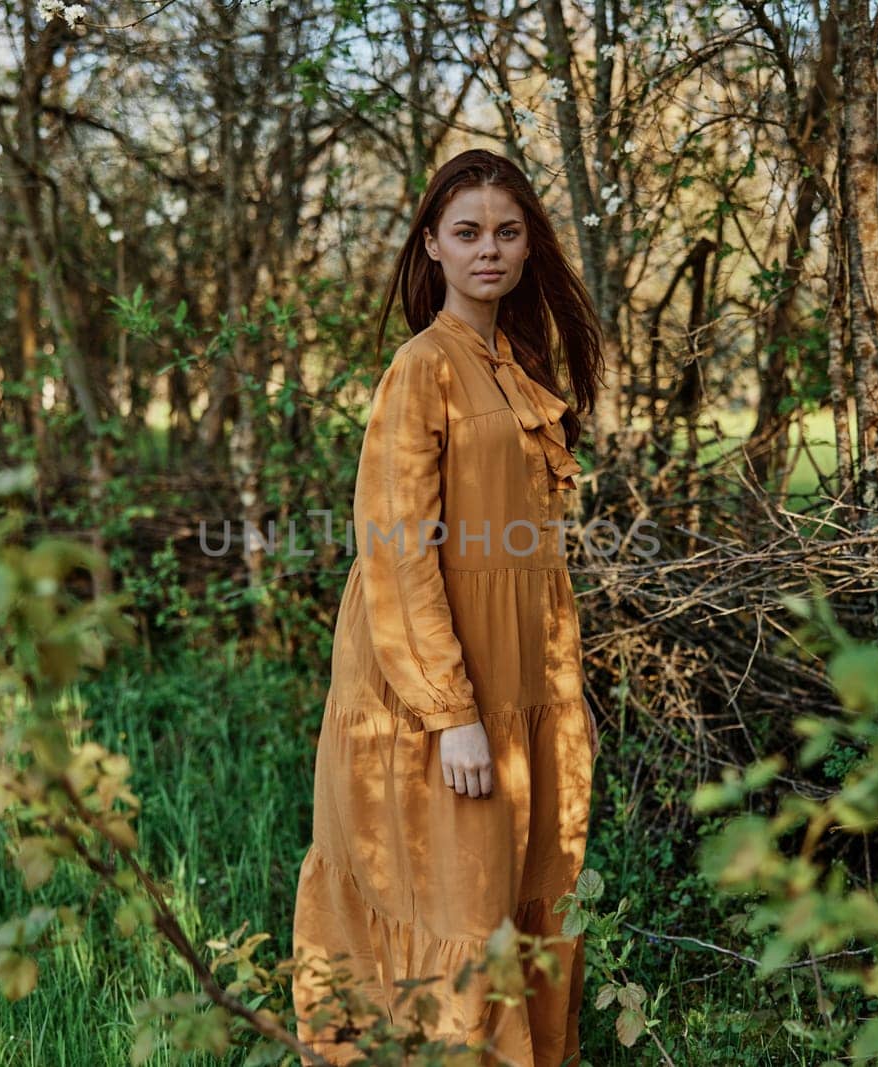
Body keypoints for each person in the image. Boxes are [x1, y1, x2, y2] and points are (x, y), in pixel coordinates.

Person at [291, 147, 605, 1067]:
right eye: (466, 233)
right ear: (431, 244)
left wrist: (564, 686)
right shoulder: (421, 367)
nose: (488, 252)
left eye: (506, 233)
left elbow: (532, 559)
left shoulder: (512, 361)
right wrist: (452, 714)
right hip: (434, 692)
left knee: (520, 888)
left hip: (519, 681)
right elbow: (394, 554)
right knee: (455, 903)